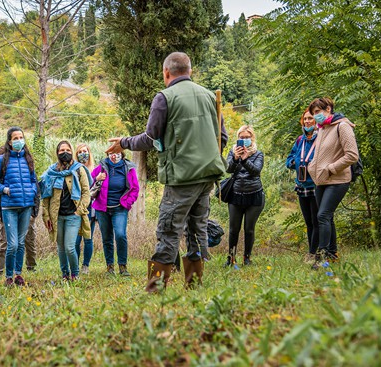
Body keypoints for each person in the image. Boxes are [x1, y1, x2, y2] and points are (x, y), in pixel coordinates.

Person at [107, 51, 227, 292]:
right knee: (196, 229)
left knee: (168, 229)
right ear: (190, 71)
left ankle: (155, 288)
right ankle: (194, 285)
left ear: (166, 72)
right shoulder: (210, 96)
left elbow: (151, 138)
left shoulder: (165, 97)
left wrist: (124, 142)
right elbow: (221, 138)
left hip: (181, 178)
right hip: (207, 177)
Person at [306, 97, 358, 268]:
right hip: (321, 180)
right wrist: (313, 167)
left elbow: (352, 155)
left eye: (318, 112)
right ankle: (332, 253)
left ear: (328, 109)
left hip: (338, 179)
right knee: (327, 217)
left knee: (322, 216)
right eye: (314, 113)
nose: (315, 116)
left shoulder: (342, 126)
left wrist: (330, 168)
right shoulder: (322, 128)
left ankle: (321, 258)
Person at [0, 127, 38, 286]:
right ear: (9, 141)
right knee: (12, 243)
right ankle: (8, 276)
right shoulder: (2, 160)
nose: (18, 141)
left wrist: (31, 191)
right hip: (9, 207)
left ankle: (18, 275)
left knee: (21, 243)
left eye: (21, 137)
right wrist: (5, 190)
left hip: (26, 206)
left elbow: (34, 181)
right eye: (15, 138)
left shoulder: (28, 158)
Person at [40, 141, 91, 281]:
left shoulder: (79, 169)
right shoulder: (51, 172)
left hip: (73, 216)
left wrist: (79, 211)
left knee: (69, 247)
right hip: (57, 216)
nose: (65, 152)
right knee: (61, 248)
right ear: (57, 153)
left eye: (68, 149)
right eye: (62, 150)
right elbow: (45, 196)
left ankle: (75, 274)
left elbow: (87, 193)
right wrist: (46, 215)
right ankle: (65, 275)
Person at [91, 151, 140, 276]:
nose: (114, 155)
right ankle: (110, 267)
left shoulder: (128, 168)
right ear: (107, 154)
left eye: (117, 152)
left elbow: (135, 188)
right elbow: (88, 184)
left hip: (120, 208)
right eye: (111, 152)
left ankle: (123, 266)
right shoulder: (101, 167)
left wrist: (127, 203)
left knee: (120, 235)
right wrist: (96, 179)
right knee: (107, 238)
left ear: (122, 153)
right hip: (102, 209)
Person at [224, 125, 265, 267]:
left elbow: (256, 171)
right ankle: (231, 258)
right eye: (242, 137)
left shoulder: (258, 154)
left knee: (249, 229)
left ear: (252, 138)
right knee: (233, 229)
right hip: (236, 195)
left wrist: (246, 159)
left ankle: (247, 258)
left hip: (254, 195)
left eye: (247, 137)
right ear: (238, 138)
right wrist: (236, 158)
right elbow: (228, 169)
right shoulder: (232, 151)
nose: (245, 140)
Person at [286, 108, 319, 261]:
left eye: (310, 118)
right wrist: (294, 163)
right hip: (301, 184)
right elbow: (290, 157)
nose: (307, 121)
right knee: (308, 222)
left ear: (316, 121)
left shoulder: (320, 138)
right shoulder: (300, 140)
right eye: (305, 119)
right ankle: (311, 251)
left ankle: (314, 253)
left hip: (316, 184)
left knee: (316, 220)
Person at [74, 143, 98, 274]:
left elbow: (98, 189)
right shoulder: (75, 169)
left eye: (85, 151)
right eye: (80, 152)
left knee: (88, 238)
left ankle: (86, 266)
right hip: (77, 208)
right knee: (76, 239)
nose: (83, 154)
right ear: (76, 154)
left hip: (91, 209)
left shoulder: (95, 170)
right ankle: (75, 265)